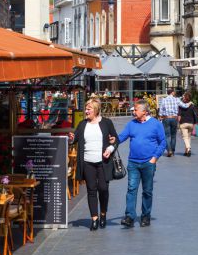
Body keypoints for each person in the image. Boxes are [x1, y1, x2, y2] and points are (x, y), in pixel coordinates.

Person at [114, 100, 166, 228]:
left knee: (147, 191)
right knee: (131, 189)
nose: (133, 111)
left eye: (136, 109)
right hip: (133, 162)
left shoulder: (155, 124)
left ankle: (145, 216)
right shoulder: (131, 124)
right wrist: (113, 140)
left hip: (148, 163)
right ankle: (130, 217)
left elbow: (163, 142)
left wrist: (154, 158)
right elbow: (122, 137)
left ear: (144, 111)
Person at [69, 98, 118, 231]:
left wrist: (110, 148)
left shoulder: (107, 123)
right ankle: (94, 218)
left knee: (103, 189)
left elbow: (115, 139)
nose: (86, 111)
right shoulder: (82, 124)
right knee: (91, 190)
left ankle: (103, 213)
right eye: (86, 108)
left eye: (88, 109)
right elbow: (74, 139)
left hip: (103, 162)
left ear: (95, 110)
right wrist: (72, 139)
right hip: (87, 162)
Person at [158, 88, 191, 156]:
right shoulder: (177, 99)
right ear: (172, 93)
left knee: (167, 135)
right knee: (173, 135)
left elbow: (161, 111)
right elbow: (185, 106)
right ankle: (172, 151)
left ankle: (169, 150)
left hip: (166, 118)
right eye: (174, 92)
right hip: (174, 119)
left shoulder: (163, 100)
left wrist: (161, 116)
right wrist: (190, 103)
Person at [178, 92, 198, 157]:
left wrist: (178, 123)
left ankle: (188, 148)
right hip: (191, 123)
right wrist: (195, 123)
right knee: (188, 137)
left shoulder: (181, 106)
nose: (182, 98)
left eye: (183, 97)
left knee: (185, 137)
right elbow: (195, 115)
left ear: (185, 98)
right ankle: (186, 152)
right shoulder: (193, 105)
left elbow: (179, 115)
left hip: (183, 123)